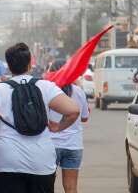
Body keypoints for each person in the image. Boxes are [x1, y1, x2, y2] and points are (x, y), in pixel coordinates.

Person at [0, 43, 80, 193]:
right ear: (30, 64)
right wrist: (58, 127)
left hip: (7, 163)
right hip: (41, 163)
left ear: (9, 66)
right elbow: (74, 110)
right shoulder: (46, 87)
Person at [48, 60, 90, 193]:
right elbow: (84, 117)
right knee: (71, 188)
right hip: (73, 145)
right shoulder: (79, 92)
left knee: (47, 186)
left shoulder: (47, 92)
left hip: (50, 145)